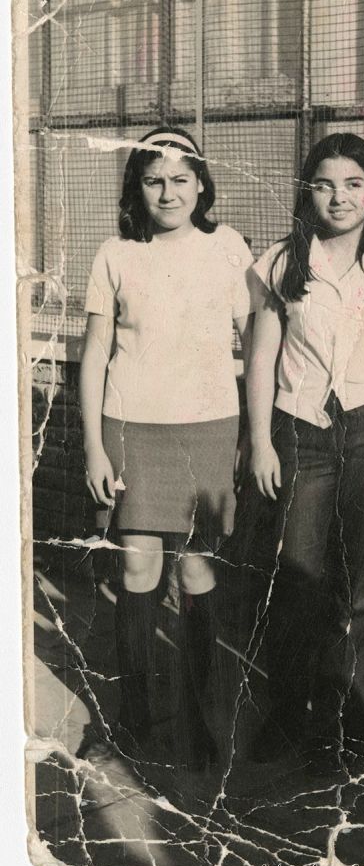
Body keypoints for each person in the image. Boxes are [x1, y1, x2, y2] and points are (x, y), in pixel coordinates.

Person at [247, 132, 364, 771]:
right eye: (324, 184)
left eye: (353, 184)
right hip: (301, 430)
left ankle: (346, 728)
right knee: (296, 576)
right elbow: (262, 359)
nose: (339, 198)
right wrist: (261, 443)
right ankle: (285, 716)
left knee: (360, 586)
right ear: (308, 192)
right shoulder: (282, 262)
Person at [79, 127, 253, 769]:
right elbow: (96, 352)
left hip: (207, 428)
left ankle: (200, 721)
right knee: (137, 571)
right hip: (131, 426)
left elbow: (257, 341)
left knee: (197, 571)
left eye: (181, 179)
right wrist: (94, 446)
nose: (168, 192)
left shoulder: (229, 248)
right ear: (138, 188)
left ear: (202, 185)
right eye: (154, 180)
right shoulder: (115, 253)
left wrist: (251, 435)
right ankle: (132, 721)